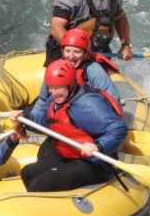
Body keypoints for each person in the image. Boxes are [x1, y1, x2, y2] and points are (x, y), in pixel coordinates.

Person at [20, 59, 128, 193]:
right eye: (51, 87)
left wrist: (98, 145)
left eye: (58, 88)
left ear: (71, 84)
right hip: (68, 156)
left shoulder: (88, 104)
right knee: (27, 173)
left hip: (93, 163)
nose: (54, 93)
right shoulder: (55, 100)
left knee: (39, 185)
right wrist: (24, 119)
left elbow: (118, 129)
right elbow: (45, 122)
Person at [36, 28, 122, 109]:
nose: (71, 56)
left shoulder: (94, 71)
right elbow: (43, 99)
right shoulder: (55, 68)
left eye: (77, 52)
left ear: (85, 53)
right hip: (61, 112)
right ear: (62, 51)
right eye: (68, 51)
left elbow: (113, 100)